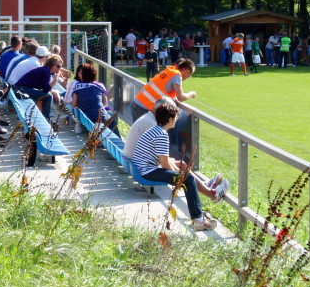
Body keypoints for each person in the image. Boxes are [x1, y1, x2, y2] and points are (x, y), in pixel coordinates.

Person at [131, 101, 229, 231]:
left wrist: (179, 168)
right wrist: (181, 176)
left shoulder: (155, 130)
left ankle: (210, 191)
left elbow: (163, 159)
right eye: (175, 117)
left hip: (143, 167)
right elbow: (165, 164)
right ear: (170, 119)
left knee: (182, 166)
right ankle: (198, 219)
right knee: (187, 179)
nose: (176, 119)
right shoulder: (161, 135)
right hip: (147, 171)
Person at [131, 58, 196, 121]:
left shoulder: (169, 71)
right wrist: (191, 94)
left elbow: (164, 89)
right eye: (189, 75)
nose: (187, 78)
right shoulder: (177, 75)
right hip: (145, 108)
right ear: (186, 71)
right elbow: (181, 97)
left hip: (138, 103)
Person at [71, 63, 119, 135]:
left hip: (84, 116)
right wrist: (107, 111)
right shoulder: (100, 86)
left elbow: (73, 105)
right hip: (100, 116)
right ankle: (118, 139)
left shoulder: (77, 86)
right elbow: (105, 104)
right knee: (112, 119)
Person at [15, 55, 64, 122]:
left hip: (22, 88)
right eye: (58, 66)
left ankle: (44, 118)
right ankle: (46, 120)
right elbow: (46, 89)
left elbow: (45, 89)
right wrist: (56, 79)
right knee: (48, 96)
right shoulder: (45, 71)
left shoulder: (46, 71)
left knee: (47, 95)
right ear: (52, 65)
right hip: (21, 89)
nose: (59, 69)